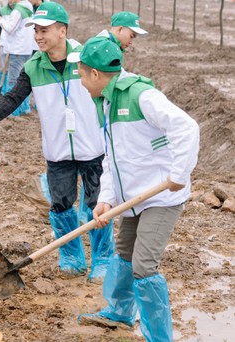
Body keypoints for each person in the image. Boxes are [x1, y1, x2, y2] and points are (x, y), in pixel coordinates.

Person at [0, 2, 114, 281]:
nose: (38, 36)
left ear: (62, 31)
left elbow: (111, 88)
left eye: (44, 30)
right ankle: (71, 257)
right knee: (61, 204)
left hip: (92, 147)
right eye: (35, 30)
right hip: (58, 150)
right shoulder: (33, 66)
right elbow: (13, 98)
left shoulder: (87, 57)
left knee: (97, 204)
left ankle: (103, 260)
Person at [71, 37, 199, 341]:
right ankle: (119, 313)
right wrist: (105, 200)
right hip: (134, 197)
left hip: (162, 196)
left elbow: (186, 127)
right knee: (125, 253)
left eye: (80, 74)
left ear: (95, 75)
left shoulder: (140, 96)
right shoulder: (107, 100)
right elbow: (113, 159)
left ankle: (159, 337)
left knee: (144, 265)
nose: (80, 81)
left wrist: (179, 173)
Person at [0, 0, 35, 116]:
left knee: (13, 81)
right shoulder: (29, 7)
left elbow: (10, 28)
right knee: (25, 79)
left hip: (17, 50)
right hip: (27, 49)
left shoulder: (18, 10)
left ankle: (13, 111)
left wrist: (1, 20)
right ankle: (24, 107)